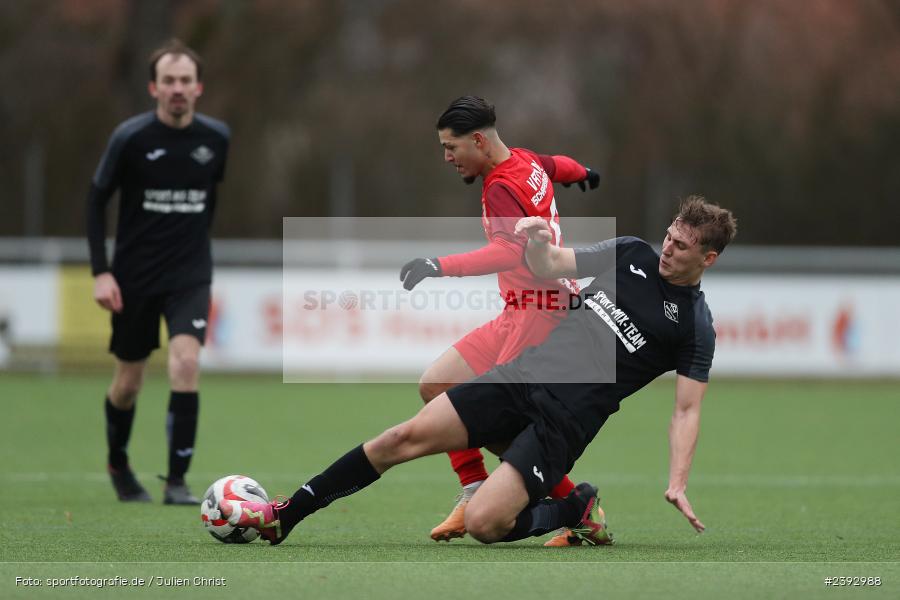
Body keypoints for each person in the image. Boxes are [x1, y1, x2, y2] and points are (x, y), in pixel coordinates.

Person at [220, 196, 737, 546]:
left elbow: (686, 410)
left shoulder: (695, 327)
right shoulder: (630, 253)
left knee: (486, 525)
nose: (668, 247)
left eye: (682, 245)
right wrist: (538, 240)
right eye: (669, 235)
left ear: (708, 258)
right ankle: (285, 516)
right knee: (399, 439)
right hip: (519, 379)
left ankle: (574, 508)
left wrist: (678, 481)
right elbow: (551, 265)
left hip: (564, 423)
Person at [399, 96, 601, 544]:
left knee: (496, 420)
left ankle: (579, 510)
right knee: (436, 385)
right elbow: (557, 166)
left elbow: (508, 252)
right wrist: (584, 172)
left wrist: (438, 265)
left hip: (541, 312)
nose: (447, 158)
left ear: (477, 140)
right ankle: (474, 488)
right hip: (518, 311)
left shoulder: (499, 187)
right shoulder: (524, 160)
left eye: (451, 147)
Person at [86, 39, 230, 505]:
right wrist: (101, 272)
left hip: (190, 274)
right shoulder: (130, 138)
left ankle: (176, 482)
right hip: (135, 277)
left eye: (185, 80)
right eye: (169, 80)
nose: (177, 88)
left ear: (199, 87)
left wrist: (195, 252)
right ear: (154, 87)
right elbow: (96, 201)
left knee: (186, 363)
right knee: (128, 384)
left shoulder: (216, 139)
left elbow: (207, 201)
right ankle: (118, 462)